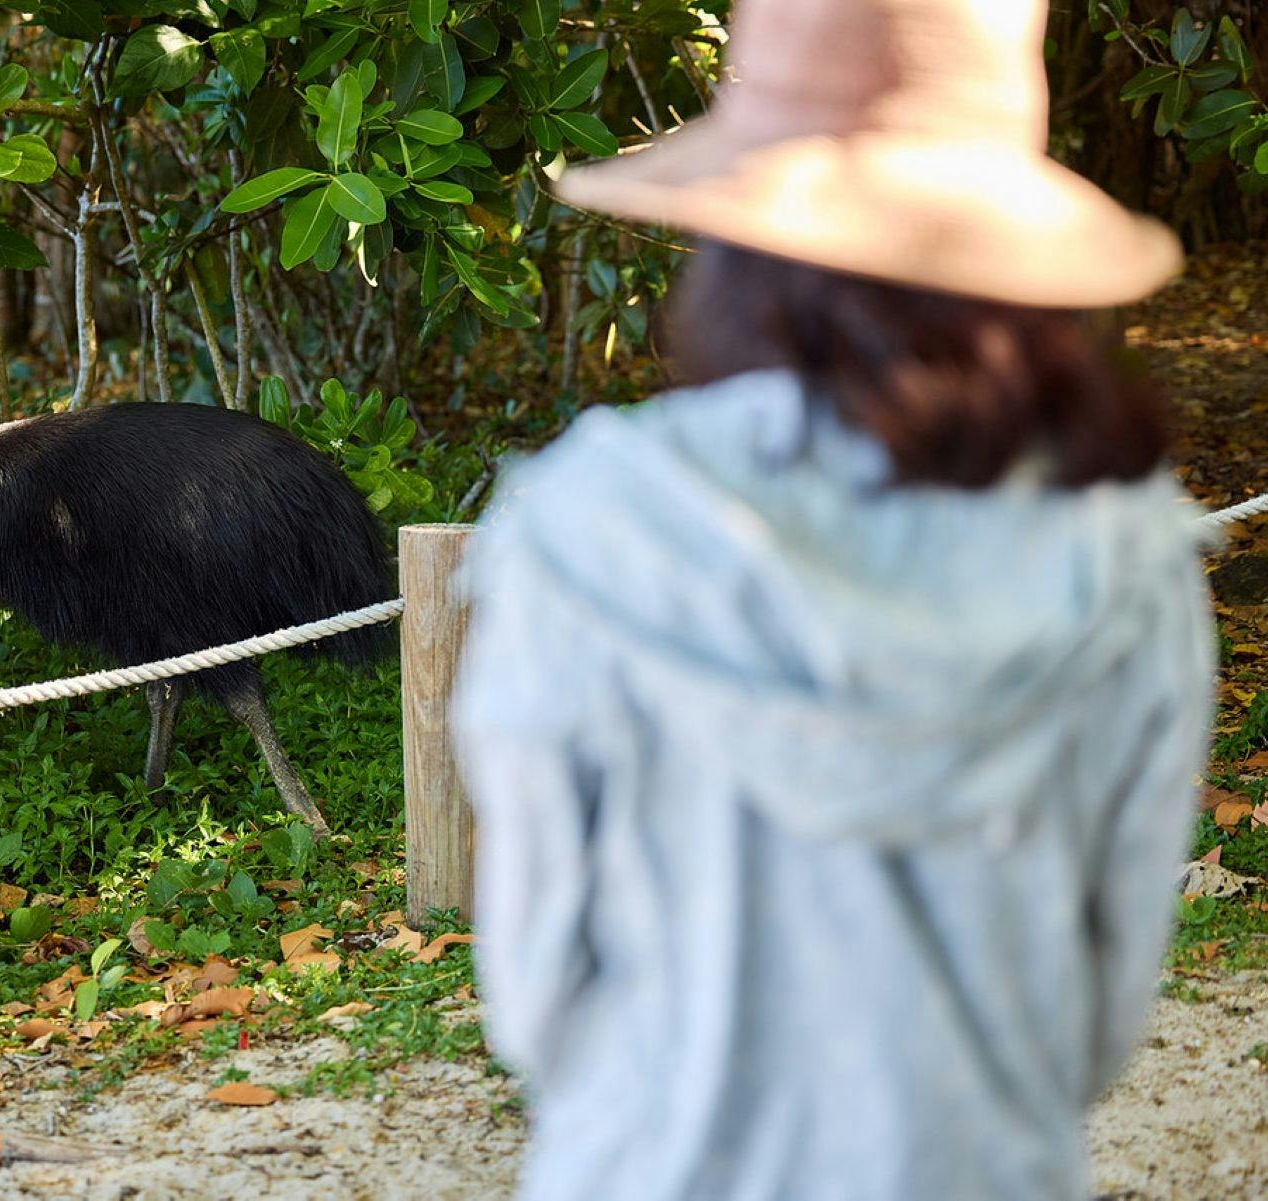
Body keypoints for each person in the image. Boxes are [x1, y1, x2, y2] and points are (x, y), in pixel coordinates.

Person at [449, 2, 1213, 1199]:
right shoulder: (1129, 552)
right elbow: (1103, 1015)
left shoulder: (587, 526)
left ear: (740, 220)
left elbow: (538, 986)